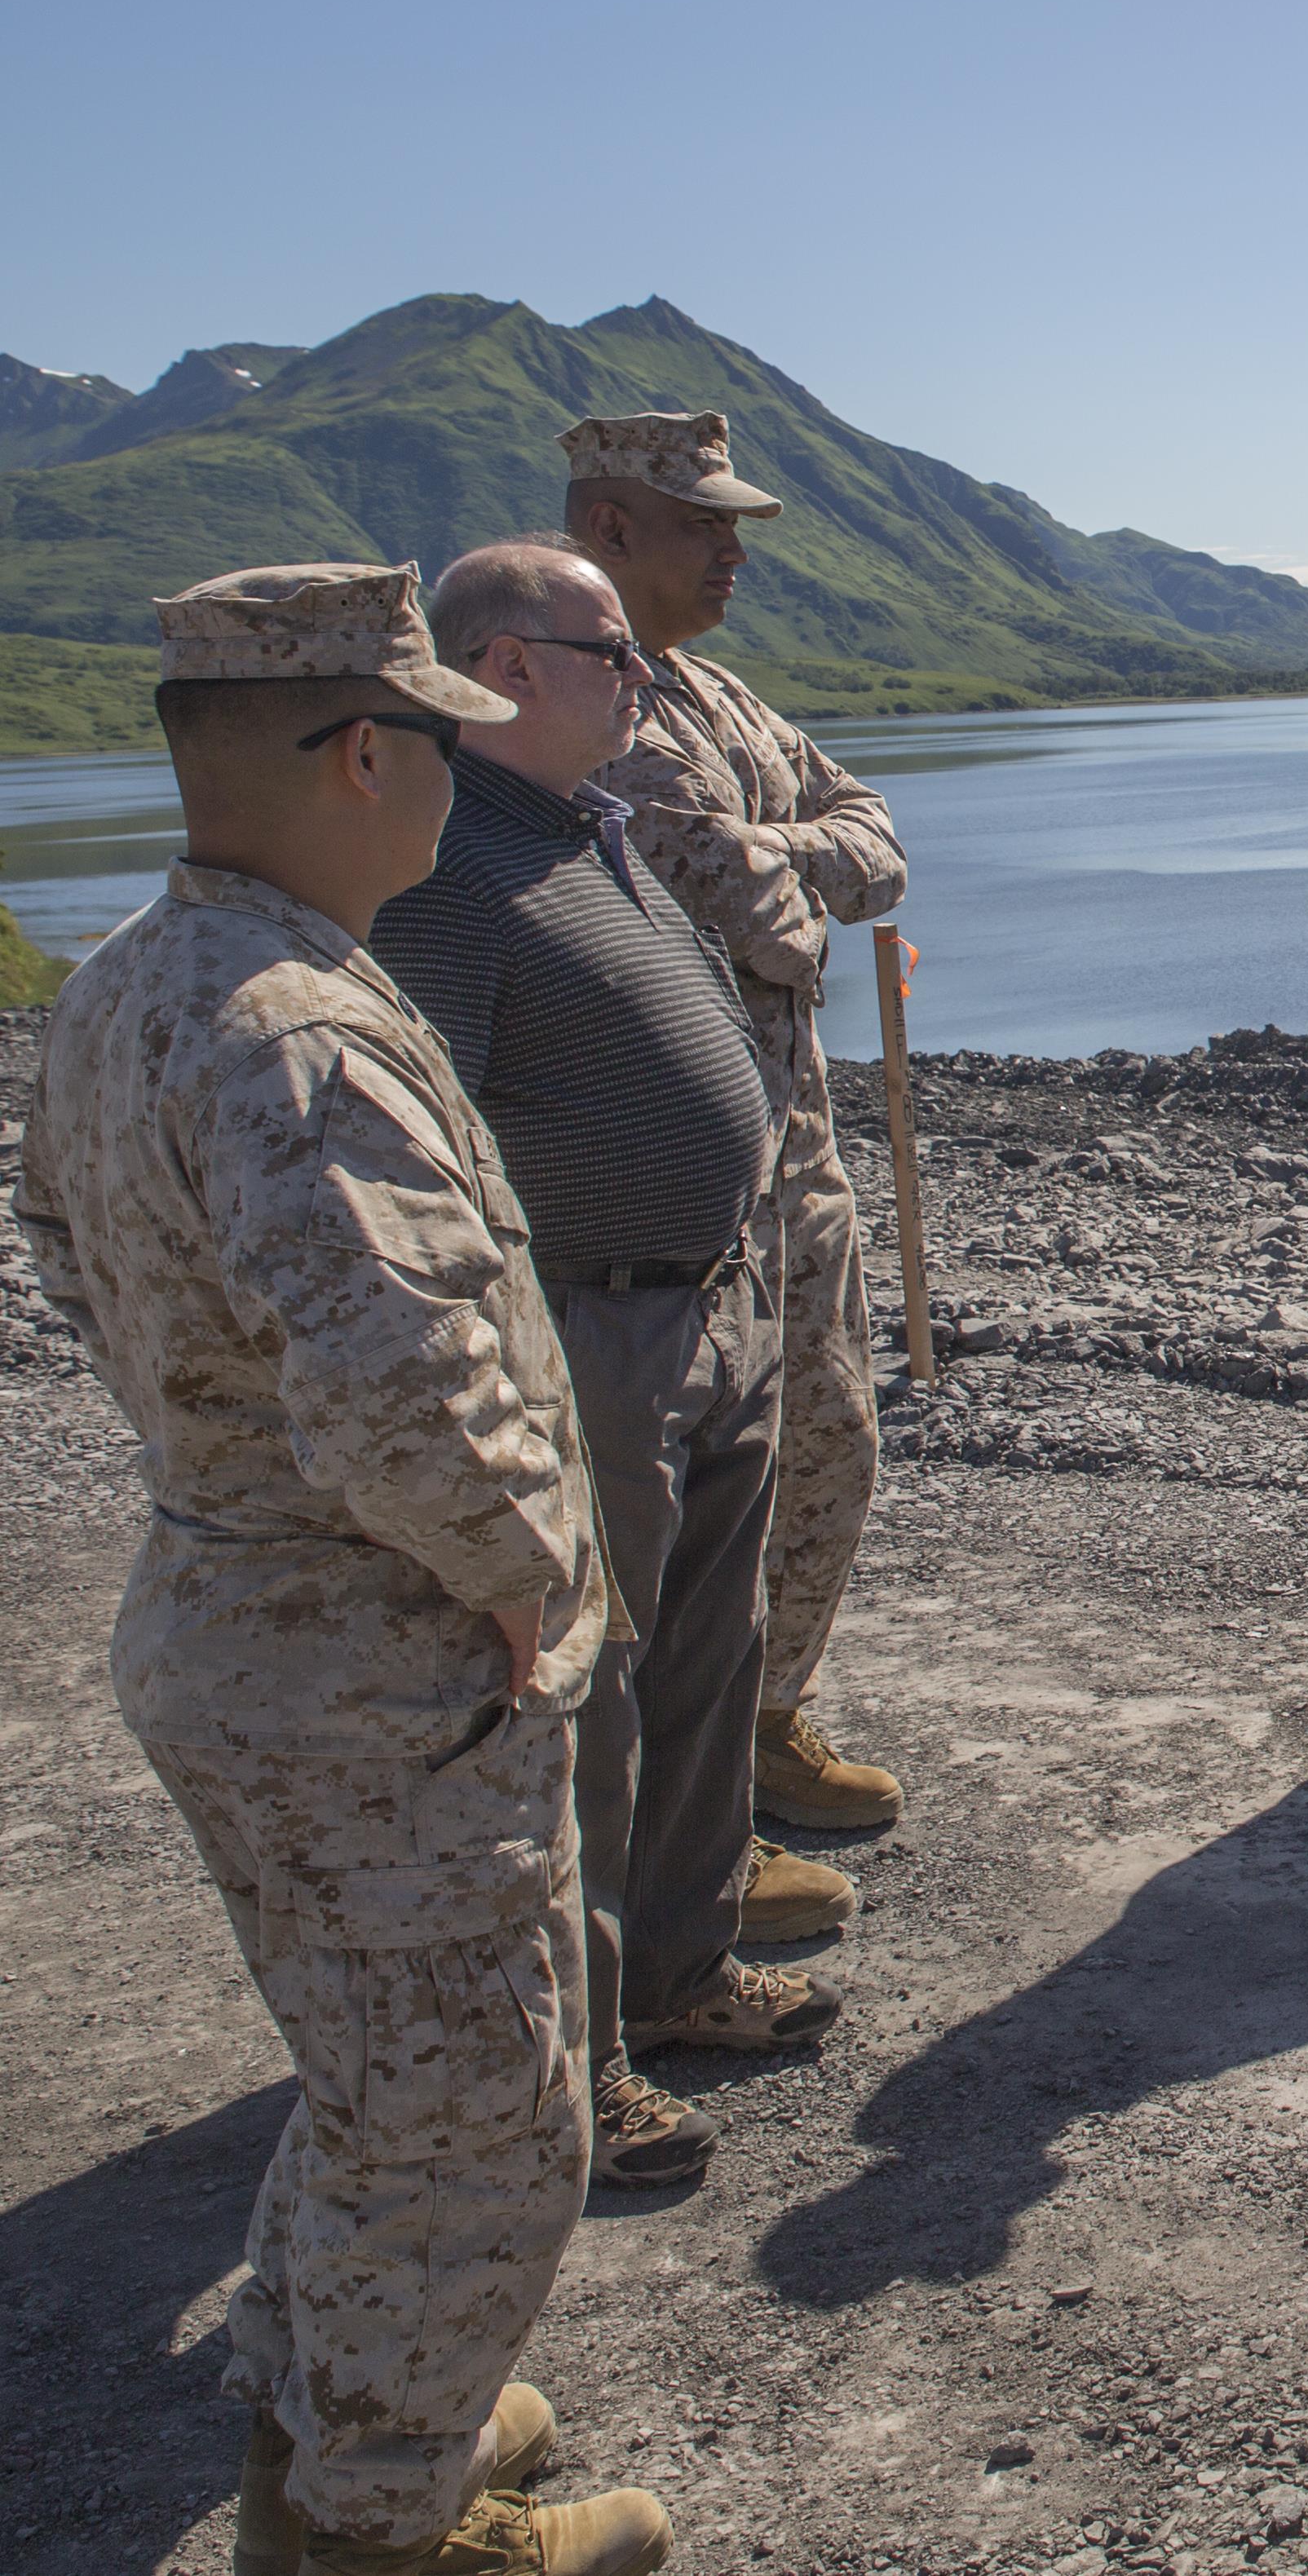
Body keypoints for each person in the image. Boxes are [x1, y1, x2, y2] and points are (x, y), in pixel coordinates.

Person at [11, 561, 672, 2574]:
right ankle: (383, 2524)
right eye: (444, 745)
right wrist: (521, 1575)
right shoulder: (293, 1023)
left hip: (240, 1611)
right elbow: (403, 1379)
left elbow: (71, 1267)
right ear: (364, 752)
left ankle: (357, 2414)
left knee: (370, 2075)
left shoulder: (136, 975)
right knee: (477, 2121)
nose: (465, 783)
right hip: (372, 1661)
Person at [372, 537, 837, 2193]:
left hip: (705, 1304)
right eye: (609, 652)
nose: (641, 681)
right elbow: (432, 1145)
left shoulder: (591, 829)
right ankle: (579, 2056)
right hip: (590, 1323)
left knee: (708, 1658)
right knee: (590, 1692)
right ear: (504, 667)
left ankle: (683, 1967)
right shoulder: (443, 864)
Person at [571, 413, 917, 1879]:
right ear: (604, 526)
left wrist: (782, 850)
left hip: (800, 1155)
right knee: (682, 1495)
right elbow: (742, 912)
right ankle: (677, 1809)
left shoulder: (721, 695)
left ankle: (771, 1717)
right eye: (695, 521)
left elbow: (873, 839)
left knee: (829, 1438)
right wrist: (787, 866)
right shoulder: (587, 712)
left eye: (735, 525)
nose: (727, 549)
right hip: (667, 1179)